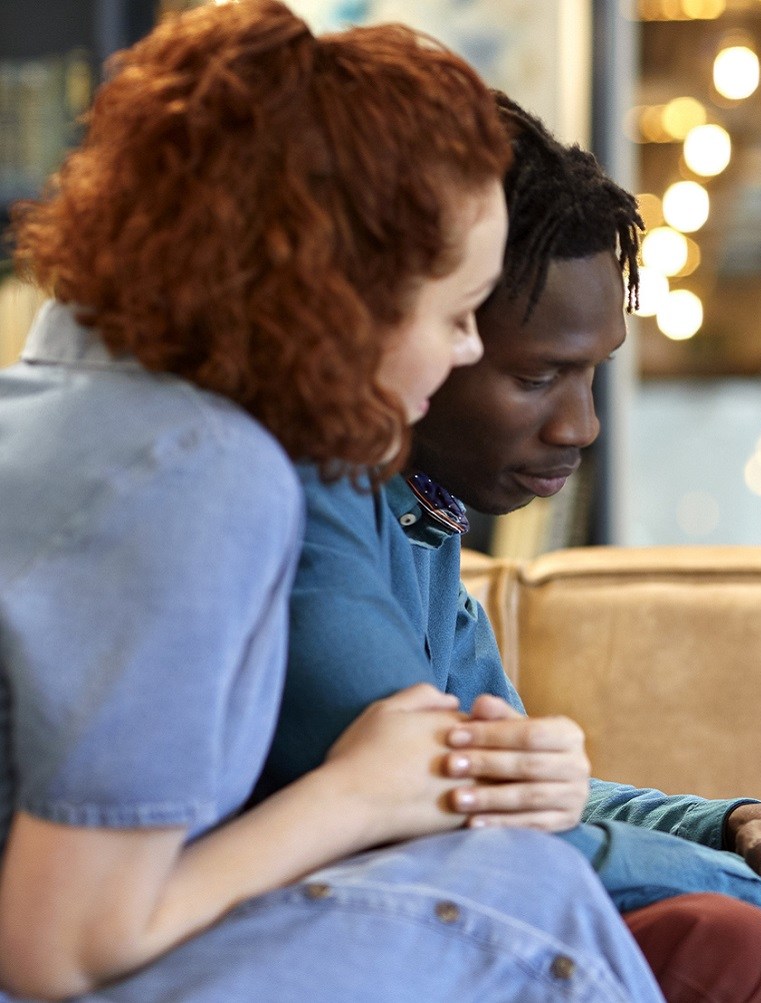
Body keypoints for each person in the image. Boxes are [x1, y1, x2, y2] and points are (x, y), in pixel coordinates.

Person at [0, 4, 661, 1000]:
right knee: (528, 896)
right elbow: (58, 945)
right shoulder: (203, 469)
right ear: (333, 292)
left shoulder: (71, 403)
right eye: (453, 313)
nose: (468, 351)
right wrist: (356, 793)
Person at [258, 92, 761, 1003]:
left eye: (593, 372)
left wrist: (737, 827)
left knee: (758, 941)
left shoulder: (418, 508)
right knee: (730, 939)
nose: (582, 424)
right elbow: (456, 813)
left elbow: (538, 799)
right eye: (536, 374)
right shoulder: (310, 501)